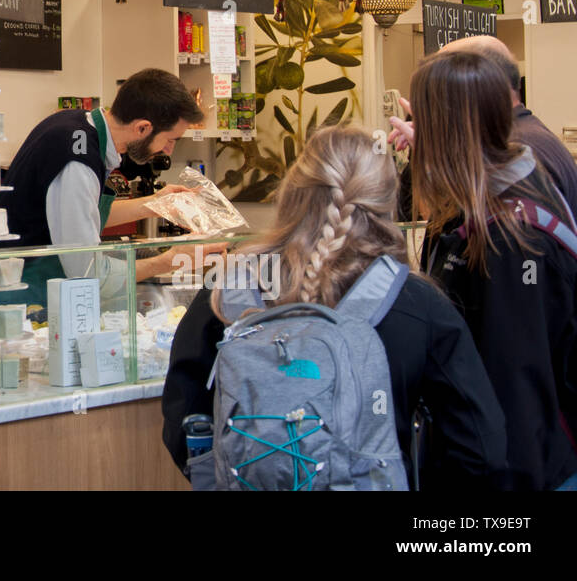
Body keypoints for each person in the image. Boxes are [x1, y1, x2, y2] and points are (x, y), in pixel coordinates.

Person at [162, 126, 508, 490]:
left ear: (291, 191)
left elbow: (183, 422)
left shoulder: (231, 288)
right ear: (387, 201)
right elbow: (481, 449)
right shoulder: (415, 303)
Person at [408, 49, 577, 490]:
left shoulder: (510, 237)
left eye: (423, 119)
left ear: (444, 126)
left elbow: (517, 386)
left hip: (521, 473)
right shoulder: (494, 201)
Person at [0, 68, 208, 307]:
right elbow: (87, 271)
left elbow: (79, 217)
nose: (169, 150)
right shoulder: (77, 161)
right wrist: (169, 261)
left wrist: (157, 205)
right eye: (170, 140)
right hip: (29, 297)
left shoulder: (74, 122)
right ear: (142, 128)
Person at [390, 35, 577, 228]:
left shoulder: (512, 148)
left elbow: (471, 231)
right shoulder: (522, 136)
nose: (437, 104)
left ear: (480, 83)